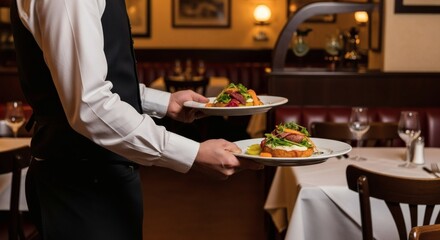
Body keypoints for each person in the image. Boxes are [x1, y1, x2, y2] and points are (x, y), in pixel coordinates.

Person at [9, 0, 263, 239]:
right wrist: (192, 153)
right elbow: (90, 105)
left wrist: (165, 103)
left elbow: (94, 84)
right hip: (79, 184)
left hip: (99, 179)